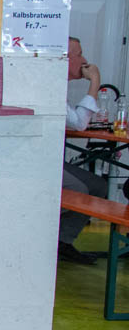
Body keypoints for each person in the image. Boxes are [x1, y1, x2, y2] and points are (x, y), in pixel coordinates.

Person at [59, 36, 109, 265]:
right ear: (65, 58)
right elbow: (79, 123)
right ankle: (46, 239)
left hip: (54, 159)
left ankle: (63, 241)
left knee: (98, 186)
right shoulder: (51, 85)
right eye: (79, 54)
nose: (84, 60)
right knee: (79, 190)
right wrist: (95, 82)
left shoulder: (62, 86)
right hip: (39, 161)